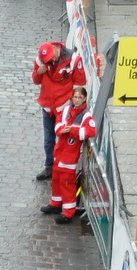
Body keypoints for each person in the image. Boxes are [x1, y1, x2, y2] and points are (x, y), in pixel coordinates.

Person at [30, 42, 84, 178]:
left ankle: (63, 168)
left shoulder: (73, 59)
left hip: (64, 106)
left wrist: (75, 105)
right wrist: (38, 72)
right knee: (48, 140)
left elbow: (80, 83)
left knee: (64, 139)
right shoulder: (40, 61)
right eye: (48, 60)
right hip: (48, 107)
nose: (51, 61)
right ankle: (49, 167)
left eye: (52, 58)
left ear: (55, 48)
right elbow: (36, 80)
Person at [46, 86, 95, 223]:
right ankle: (56, 203)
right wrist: (62, 130)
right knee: (56, 179)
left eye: (80, 97)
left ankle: (68, 212)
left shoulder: (86, 115)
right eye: (75, 97)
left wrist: (72, 130)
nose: (77, 99)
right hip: (60, 150)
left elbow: (91, 131)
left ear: (84, 98)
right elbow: (58, 123)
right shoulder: (67, 110)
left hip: (70, 154)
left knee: (67, 183)